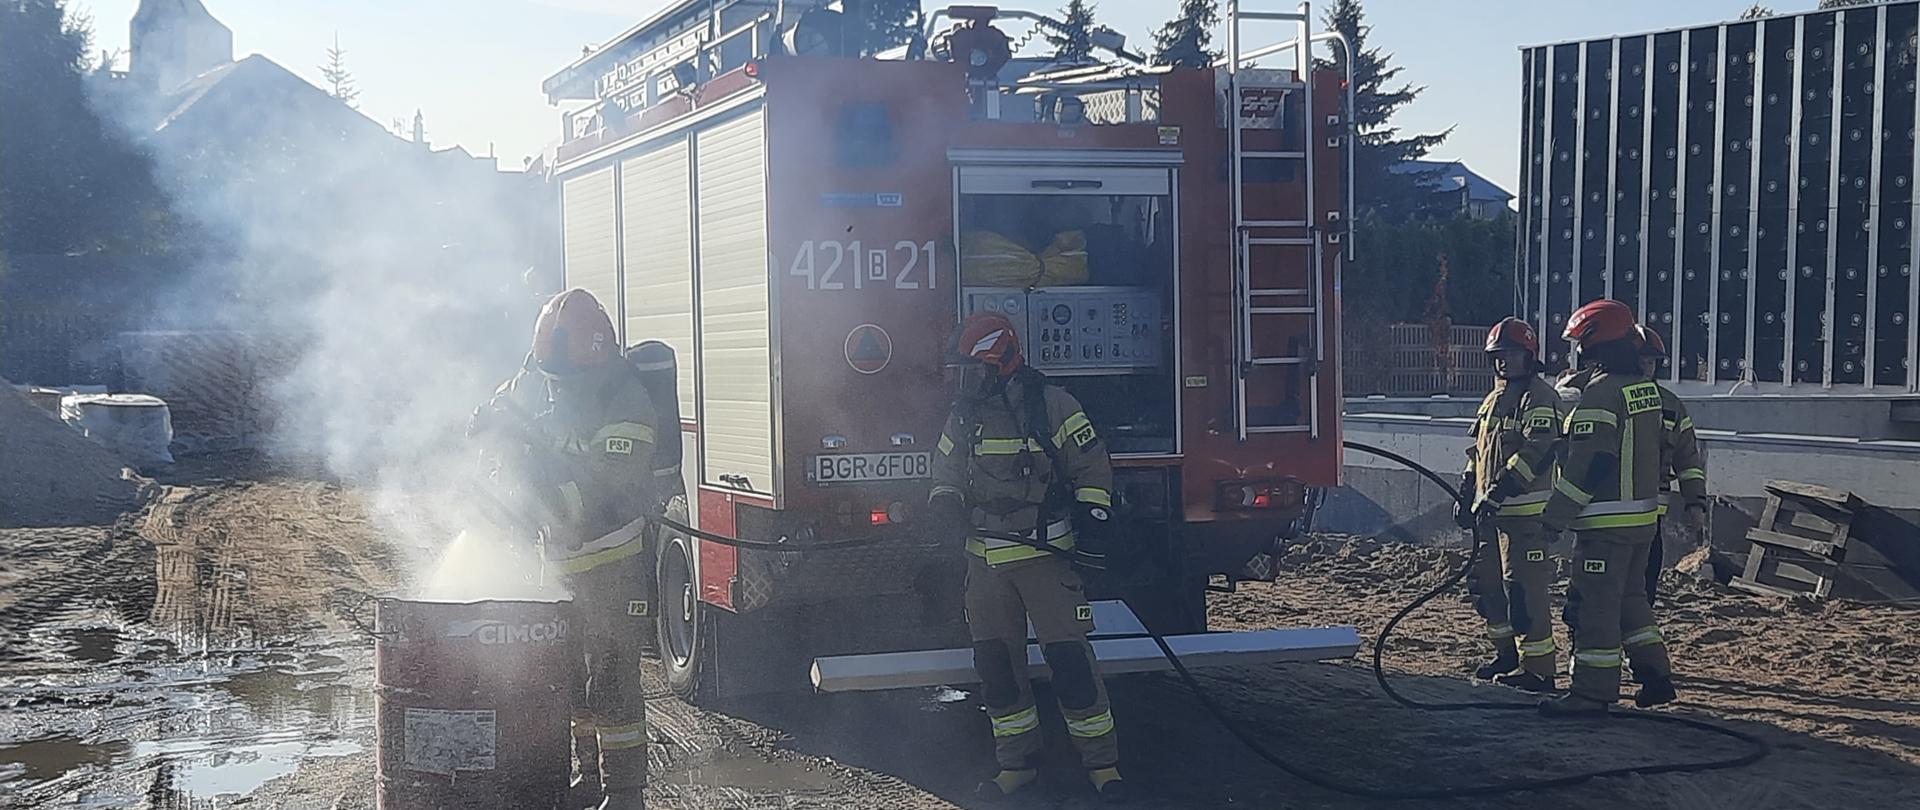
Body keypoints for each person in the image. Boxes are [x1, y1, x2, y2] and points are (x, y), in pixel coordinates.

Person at [927, 312, 1131, 803]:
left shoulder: (1054, 407)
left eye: (973, 371)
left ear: (1003, 364)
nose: (964, 382)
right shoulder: (964, 417)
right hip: (986, 566)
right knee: (997, 668)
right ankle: (1016, 767)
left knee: (1072, 665)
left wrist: (1095, 518)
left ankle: (1103, 768)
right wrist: (944, 503)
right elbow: (945, 470)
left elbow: (1092, 469)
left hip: (1047, 562)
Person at [473, 288, 659, 810]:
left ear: (593, 358)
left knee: (614, 679)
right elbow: (513, 398)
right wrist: (488, 422)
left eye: (563, 376)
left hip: (612, 562)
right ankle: (591, 781)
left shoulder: (626, 403)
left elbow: (605, 489)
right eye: (547, 373)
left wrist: (545, 494)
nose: (555, 387)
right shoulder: (546, 380)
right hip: (561, 566)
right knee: (570, 677)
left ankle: (626, 794)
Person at [1539, 300, 1676, 717]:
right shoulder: (1642, 391)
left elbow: (1591, 462)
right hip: (1642, 521)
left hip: (1606, 525)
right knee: (1632, 599)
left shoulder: (1601, 395)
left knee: (1596, 605)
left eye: (1578, 345)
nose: (1574, 352)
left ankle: (1591, 692)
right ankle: (1655, 675)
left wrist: (1556, 516)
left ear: (1593, 345)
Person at [1455, 317, 1563, 692]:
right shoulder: (1493, 398)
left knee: (1524, 594)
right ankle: (1506, 655)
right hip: (1489, 516)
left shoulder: (1540, 397)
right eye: (1499, 356)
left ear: (1529, 356)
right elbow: (1481, 450)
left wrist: (1500, 489)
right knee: (1486, 589)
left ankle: (1539, 670)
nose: (1504, 362)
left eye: (1512, 355)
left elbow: (1539, 449)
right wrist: (1468, 484)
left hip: (1524, 519)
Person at [1634, 325, 1708, 605]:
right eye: (1641, 360)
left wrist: (1696, 504)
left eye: (1651, 361)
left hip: (1652, 517)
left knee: (1645, 590)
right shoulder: (1606, 397)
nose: (1647, 367)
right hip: (1610, 518)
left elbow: (1688, 459)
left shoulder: (1670, 405)